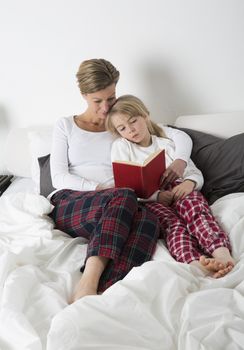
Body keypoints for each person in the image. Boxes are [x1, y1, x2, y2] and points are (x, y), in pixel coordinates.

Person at [49, 59, 193, 302]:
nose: (106, 107)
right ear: (84, 95)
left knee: (149, 219)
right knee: (123, 194)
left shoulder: (122, 123)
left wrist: (181, 161)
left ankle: (106, 289)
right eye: (98, 101)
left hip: (120, 203)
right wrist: (101, 188)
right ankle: (88, 281)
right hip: (73, 201)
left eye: (111, 98)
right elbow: (58, 177)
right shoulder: (65, 126)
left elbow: (178, 135)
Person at [106, 94, 235, 278]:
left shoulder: (166, 143)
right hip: (149, 200)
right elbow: (125, 187)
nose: (131, 130)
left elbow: (193, 171)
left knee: (196, 210)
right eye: (123, 128)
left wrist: (190, 183)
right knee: (172, 225)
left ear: (145, 115)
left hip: (179, 189)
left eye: (133, 121)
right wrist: (156, 196)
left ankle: (221, 253)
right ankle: (196, 262)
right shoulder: (121, 147)